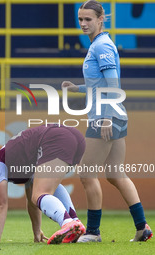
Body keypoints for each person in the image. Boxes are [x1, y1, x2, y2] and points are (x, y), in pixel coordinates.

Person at [61, 0, 152, 242]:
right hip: (116, 115)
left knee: (86, 173)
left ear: (101, 19)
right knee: (115, 174)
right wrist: (77, 88)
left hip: (106, 118)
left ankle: (93, 232)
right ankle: (143, 228)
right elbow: (99, 84)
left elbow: (113, 86)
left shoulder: (101, 47)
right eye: (80, 19)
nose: (83, 23)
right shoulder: (100, 45)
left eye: (88, 19)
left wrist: (106, 119)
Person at [0, 124, 86, 244]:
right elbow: (31, 202)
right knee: (42, 191)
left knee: (40, 193)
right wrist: (36, 232)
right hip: (76, 138)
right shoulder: (18, 161)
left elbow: (1, 204)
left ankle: (67, 223)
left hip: (56, 138)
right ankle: (75, 222)